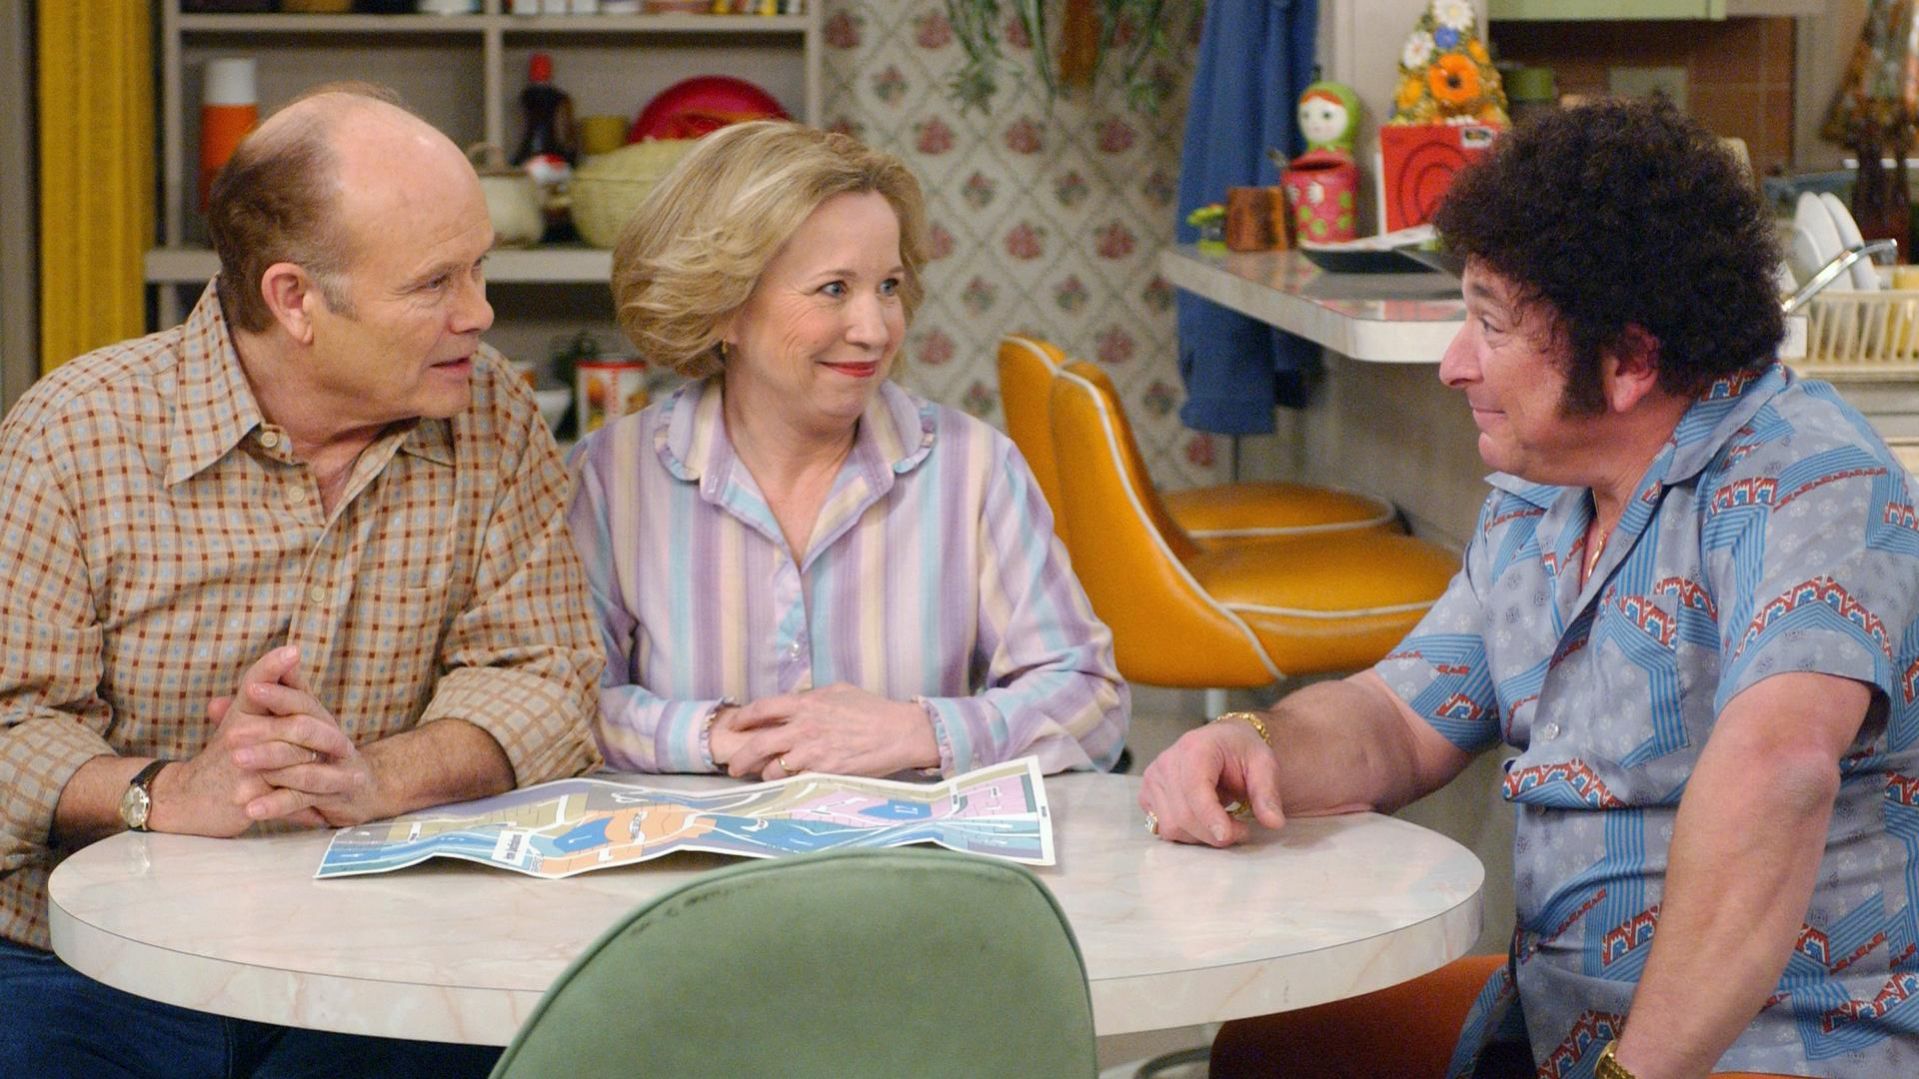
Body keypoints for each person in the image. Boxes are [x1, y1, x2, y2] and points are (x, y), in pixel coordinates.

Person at [1141, 97, 1919, 1077]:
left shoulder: (1810, 481)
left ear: (1627, 360)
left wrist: (1633, 1073)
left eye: (1489, 324)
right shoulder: (1541, 495)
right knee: (1265, 1054)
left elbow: (1778, 772)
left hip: (1777, 1045)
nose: (1452, 363)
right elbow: (1395, 720)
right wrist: (1252, 744)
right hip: (1553, 1025)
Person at [0, 85, 604, 1077]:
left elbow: (545, 676)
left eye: (480, 268)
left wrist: (375, 778)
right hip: (82, 969)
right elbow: (12, 725)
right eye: (435, 282)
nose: (480, 313)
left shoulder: (493, 412)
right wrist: (168, 792)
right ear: (294, 300)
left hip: (385, 958)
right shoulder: (75, 432)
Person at [569, 120, 1127, 780]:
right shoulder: (611, 475)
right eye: (834, 289)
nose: (874, 329)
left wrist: (920, 732)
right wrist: (710, 735)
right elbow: (559, 699)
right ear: (724, 307)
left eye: (888, 287)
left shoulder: (975, 468)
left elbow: (1090, 698)